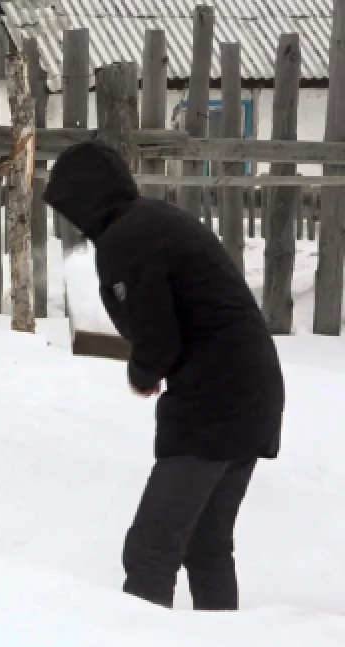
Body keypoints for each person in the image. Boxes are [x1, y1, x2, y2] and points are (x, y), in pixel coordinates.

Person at [43, 140, 285, 611]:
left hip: (216, 399)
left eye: (70, 209)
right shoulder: (155, 220)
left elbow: (157, 335)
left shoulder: (126, 238)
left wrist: (144, 370)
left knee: (151, 549)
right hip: (252, 389)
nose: (72, 223)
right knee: (206, 545)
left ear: (85, 200)